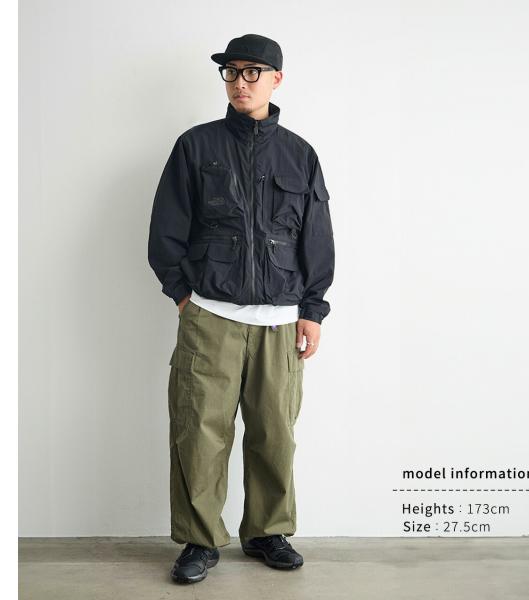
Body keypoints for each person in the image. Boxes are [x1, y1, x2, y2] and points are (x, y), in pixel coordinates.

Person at [147, 33, 335, 585]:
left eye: (253, 71)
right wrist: (183, 295)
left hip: (280, 322)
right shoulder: (195, 146)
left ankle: (267, 532)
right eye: (231, 71)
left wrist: (313, 309)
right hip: (210, 316)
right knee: (199, 432)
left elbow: (316, 237)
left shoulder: (300, 154)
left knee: (275, 433)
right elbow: (166, 229)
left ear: (277, 79)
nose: (240, 82)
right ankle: (200, 539)